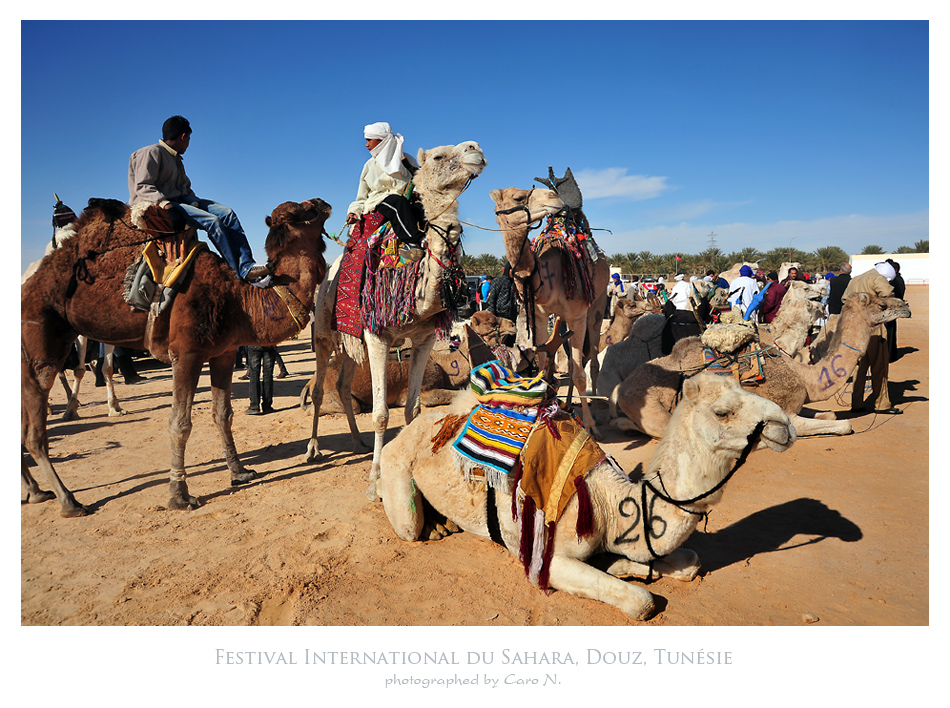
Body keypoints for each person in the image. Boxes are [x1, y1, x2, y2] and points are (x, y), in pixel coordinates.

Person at [128, 116, 270, 285]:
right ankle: (237, 272)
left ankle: (247, 265)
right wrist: (166, 205)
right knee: (213, 221)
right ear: (183, 136)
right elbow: (143, 186)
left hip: (183, 200)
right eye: (188, 139)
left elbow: (184, 188)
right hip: (164, 204)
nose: (188, 144)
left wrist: (194, 202)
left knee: (227, 213)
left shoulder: (176, 159)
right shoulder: (151, 152)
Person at [843, 262, 899, 415]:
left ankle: (857, 403)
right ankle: (882, 404)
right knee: (879, 365)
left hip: (856, 329)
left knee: (860, 367)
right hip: (874, 328)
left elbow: (844, 300)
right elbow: (888, 294)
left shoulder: (855, 279)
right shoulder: (877, 279)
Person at [246, 345, 277, 415]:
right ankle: (267, 406)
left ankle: (254, 406)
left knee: (254, 374)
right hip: (270, 344)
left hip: (254, 344)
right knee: (268, 375)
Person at [885, 258, 906, 362]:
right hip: (894, 309)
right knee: (891, 331)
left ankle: (889, 356)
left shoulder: (895, 280)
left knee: (889, 332)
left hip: (891, 309)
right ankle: (891, 354)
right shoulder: (899, 279)